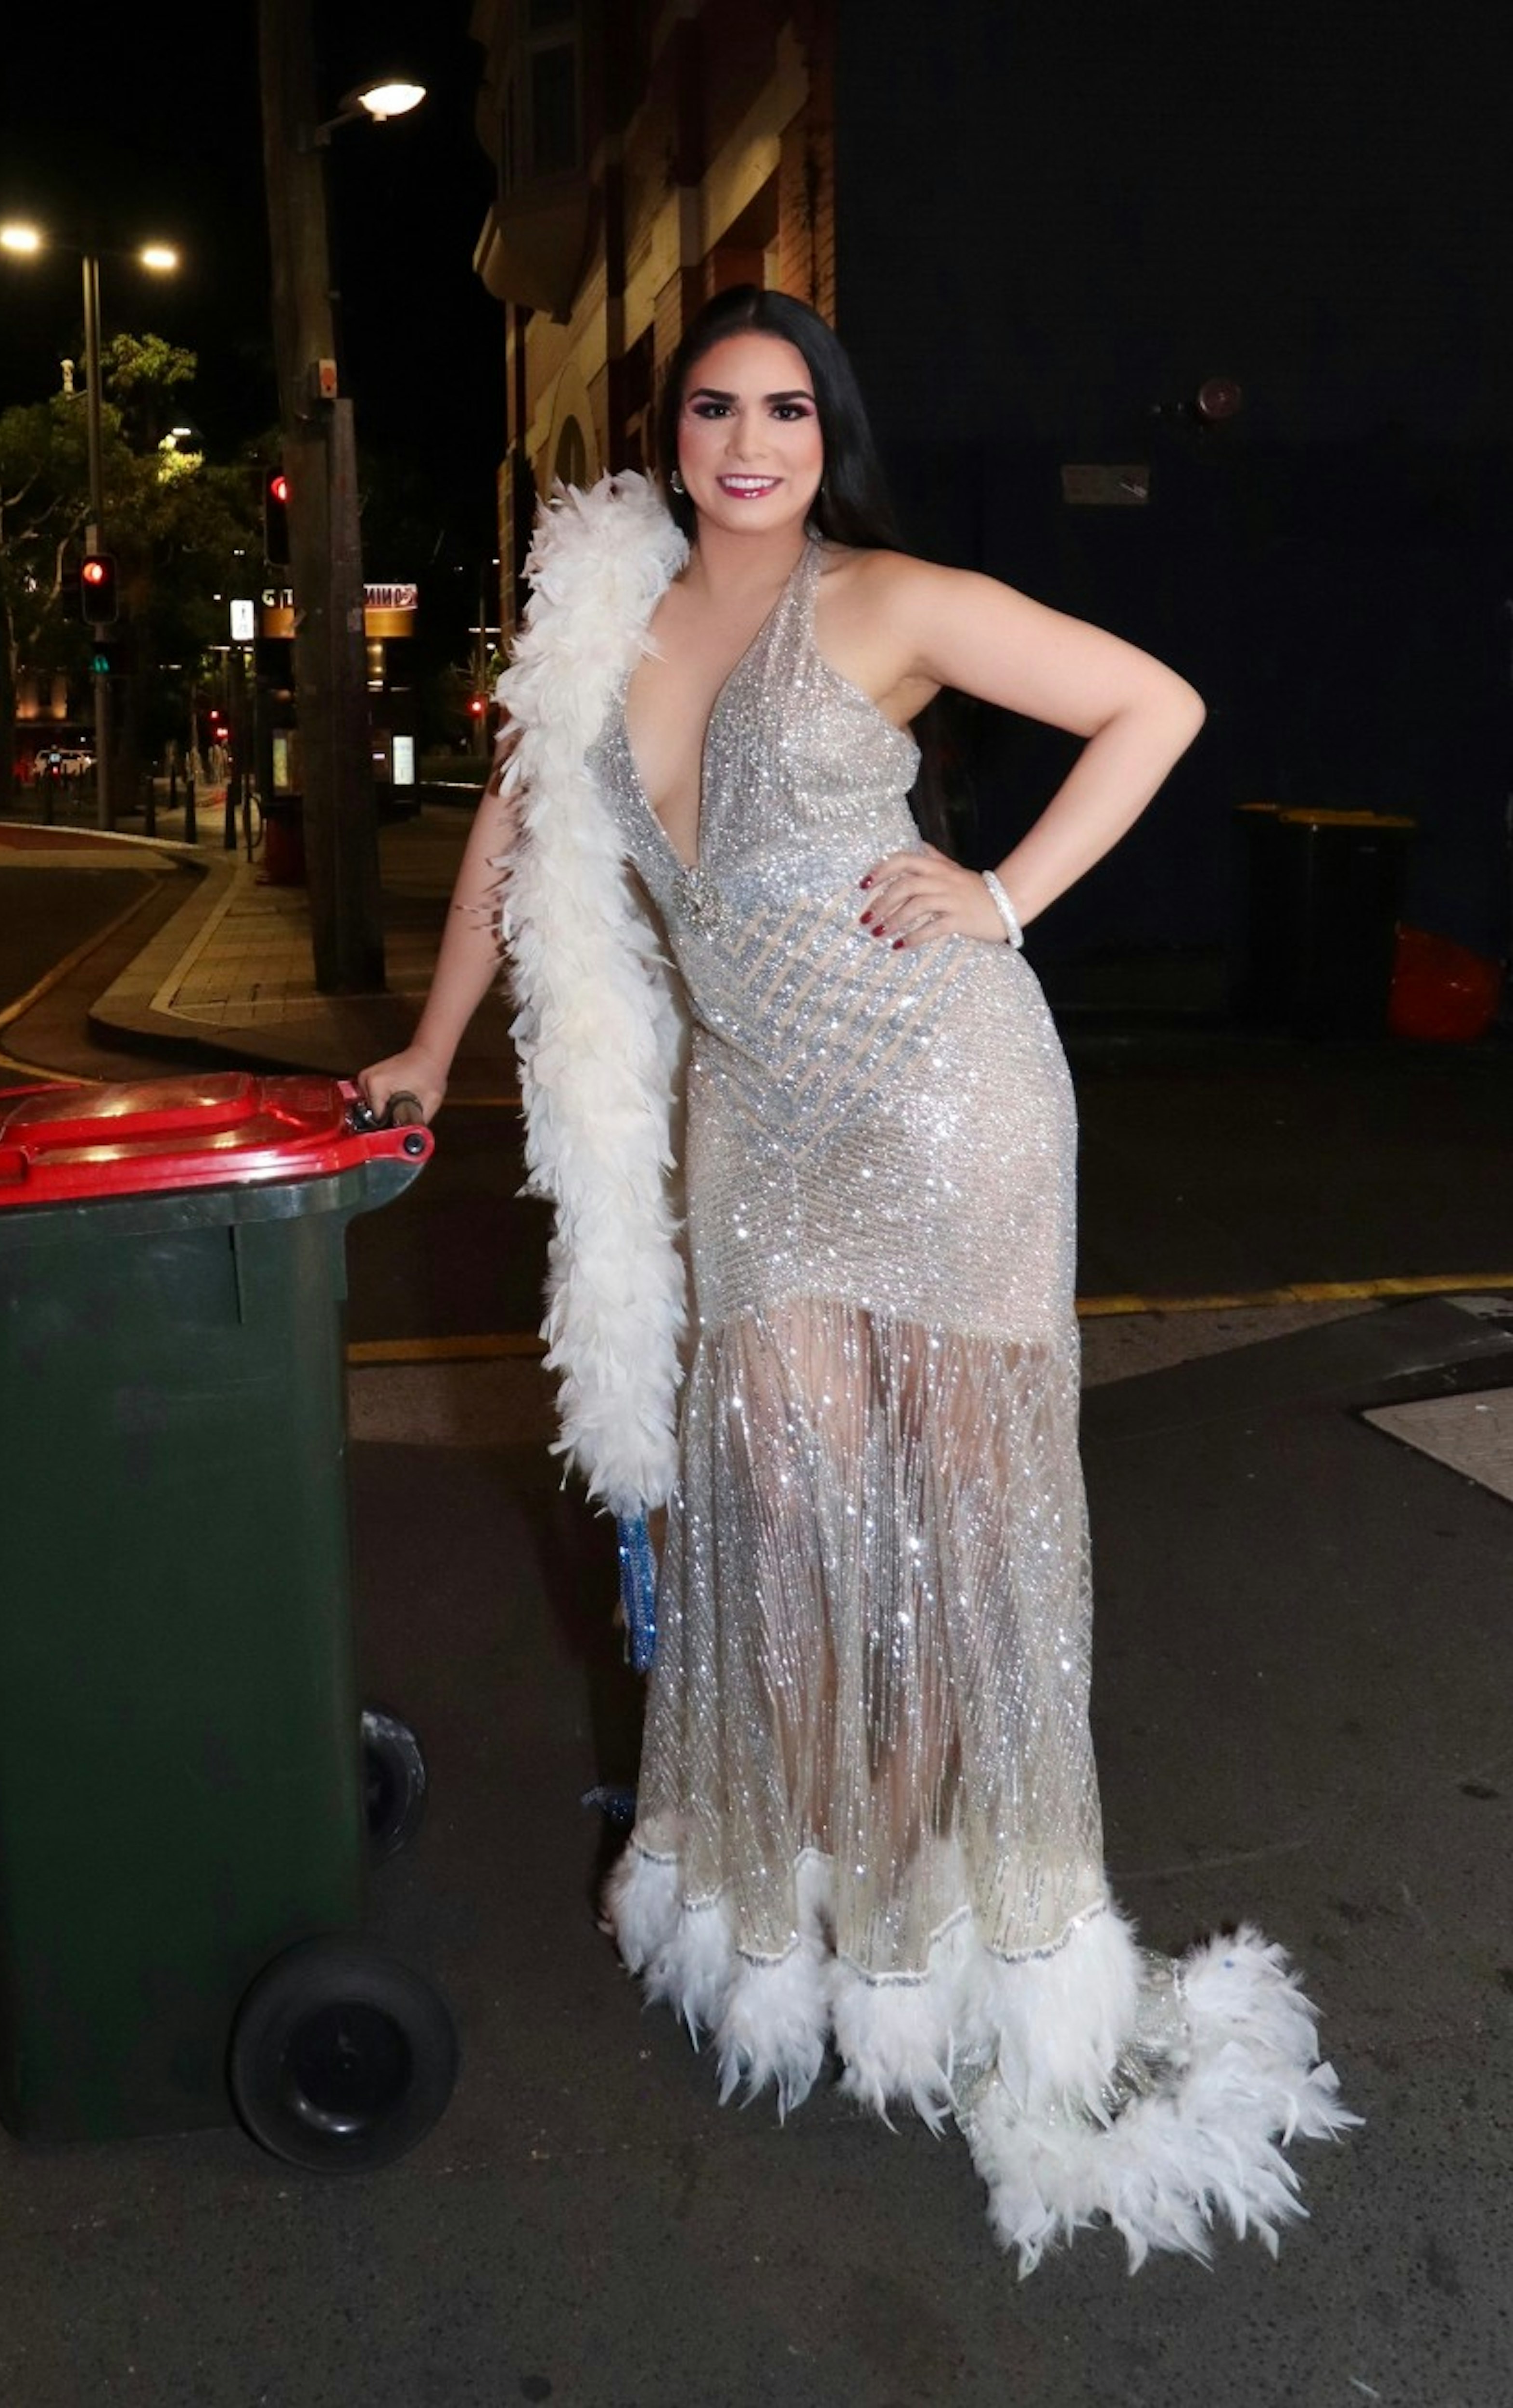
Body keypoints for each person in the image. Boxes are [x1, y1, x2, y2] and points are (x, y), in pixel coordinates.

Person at [359, 286, 1355, 2271]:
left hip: (939, 1096)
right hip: (756, 1131)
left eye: (788, 409)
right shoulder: (606, 632)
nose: (750, 441)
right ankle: (799, 1893)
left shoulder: (885, 599)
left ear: (830, 435)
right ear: (670, 432)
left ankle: (904, 1932)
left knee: (952, 1526)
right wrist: (428, 1048)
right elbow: (511, 833)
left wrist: (1000, 897)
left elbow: (1154, 705)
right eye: (716, 407)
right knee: (794, 1507)